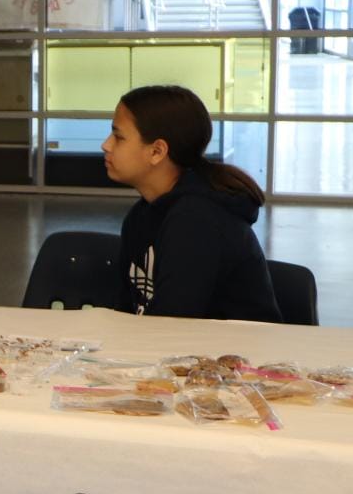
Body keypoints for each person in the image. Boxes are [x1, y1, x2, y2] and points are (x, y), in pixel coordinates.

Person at [102, 84, 282, 322]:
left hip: (231, 354)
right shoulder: (142, 215)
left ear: (157, 151)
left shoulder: (197, 220)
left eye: (119, 137)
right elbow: (127, 314)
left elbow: (174, 324)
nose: (106, 144)